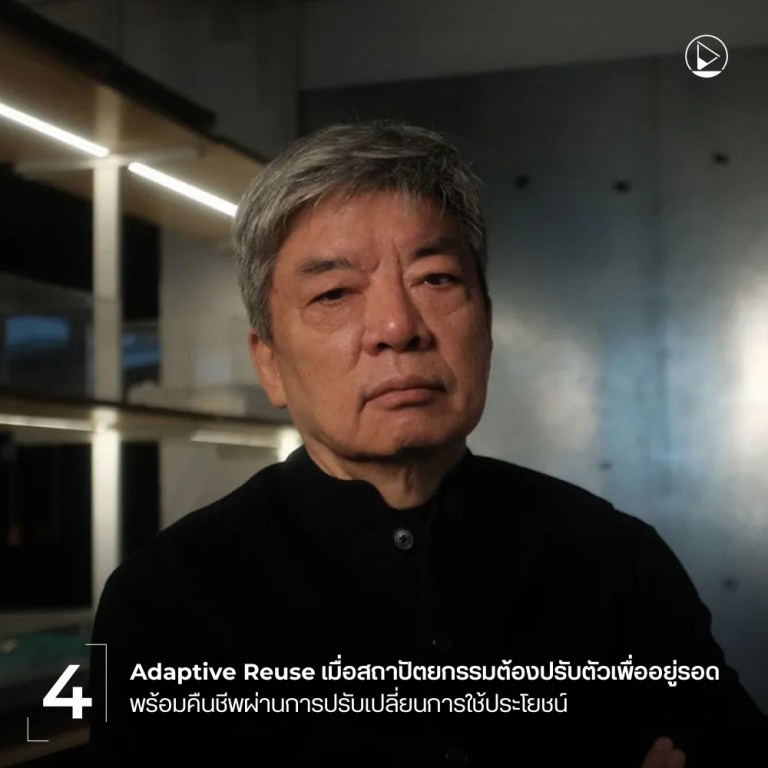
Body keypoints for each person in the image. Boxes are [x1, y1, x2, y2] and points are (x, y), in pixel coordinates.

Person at [87, 120, 767, 768]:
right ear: (269, 363)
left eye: (435, 279)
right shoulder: (168, 601)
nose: (396, 326)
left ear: (487, 324)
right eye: (334, 293)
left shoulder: (617, 561)